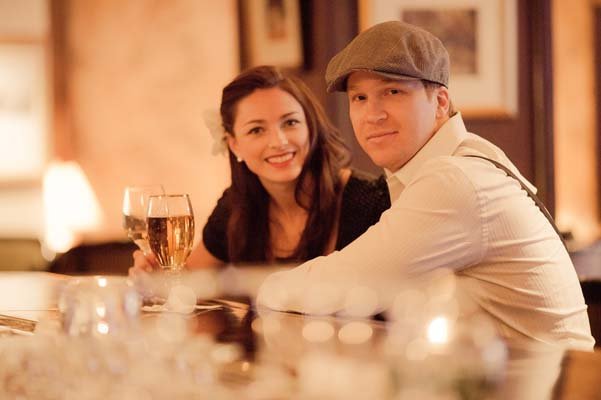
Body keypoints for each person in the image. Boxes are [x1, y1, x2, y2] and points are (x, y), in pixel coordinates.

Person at [256, 21, 594, 350]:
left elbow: (346, 284)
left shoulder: (455, 180)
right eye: (359, 98)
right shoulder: (459, 160)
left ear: (441, 102)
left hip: (555, 385)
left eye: (392, 92)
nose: (372, 115)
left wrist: (261, 289)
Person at [130, 65, 390, 275]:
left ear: (311, 127)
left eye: (290, 122)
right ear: (234, 144)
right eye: (256, 130)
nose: (278, 142)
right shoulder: (235, 207)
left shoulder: (371, 200)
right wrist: (155, 276)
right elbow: (190, 280)